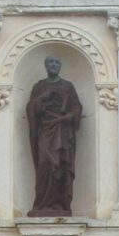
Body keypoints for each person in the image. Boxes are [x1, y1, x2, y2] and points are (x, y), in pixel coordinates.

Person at [27, 56, 83, 216]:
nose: (53, 65)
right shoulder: (39, 86)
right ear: (45, 66)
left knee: (61, 166)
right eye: (50, 62)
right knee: (45, 162)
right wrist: (41, 100)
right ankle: (42, 203)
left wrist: (70, 116)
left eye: (56, 62)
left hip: (63, 131)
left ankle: (60, 203)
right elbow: (31, 108)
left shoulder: (67, 86)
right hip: (46, 130)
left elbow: (77, 107)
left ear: (60, 66)